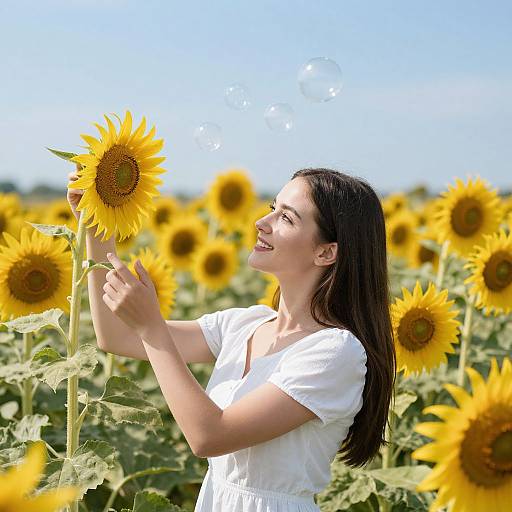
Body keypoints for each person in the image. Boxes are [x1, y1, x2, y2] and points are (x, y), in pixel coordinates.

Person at [67, 167, 396, 512]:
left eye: (287, 218)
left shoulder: (335, 352)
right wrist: (96, 223)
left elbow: (209, 436)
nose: (262, 222)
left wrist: (153, 328)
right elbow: (116, 336)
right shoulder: (246, 324)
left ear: (326, 253)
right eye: (272, 207)